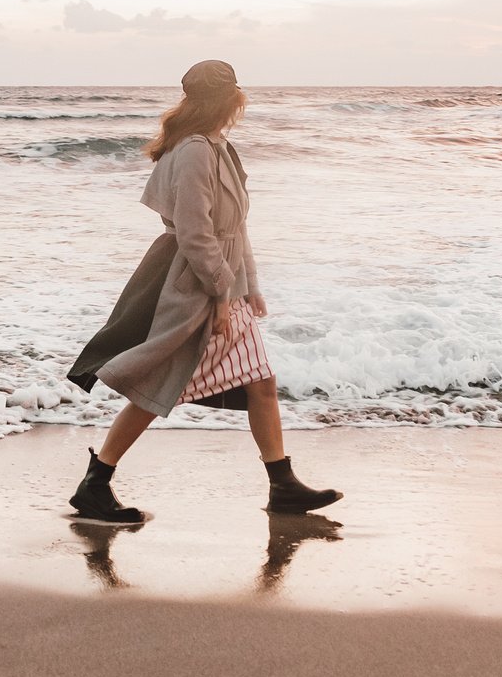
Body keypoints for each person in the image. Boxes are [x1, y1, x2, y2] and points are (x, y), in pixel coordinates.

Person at [63, 59, 343, 522]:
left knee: (258, 382)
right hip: (196, 283)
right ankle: (96, 484)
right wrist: (219, 296)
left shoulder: (218, 146)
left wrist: (249, 285)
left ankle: (283, 485)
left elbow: (236, 228)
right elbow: (195, 233)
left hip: (221, 281)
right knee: (159, 384)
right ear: (228, 99)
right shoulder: (194, 150)